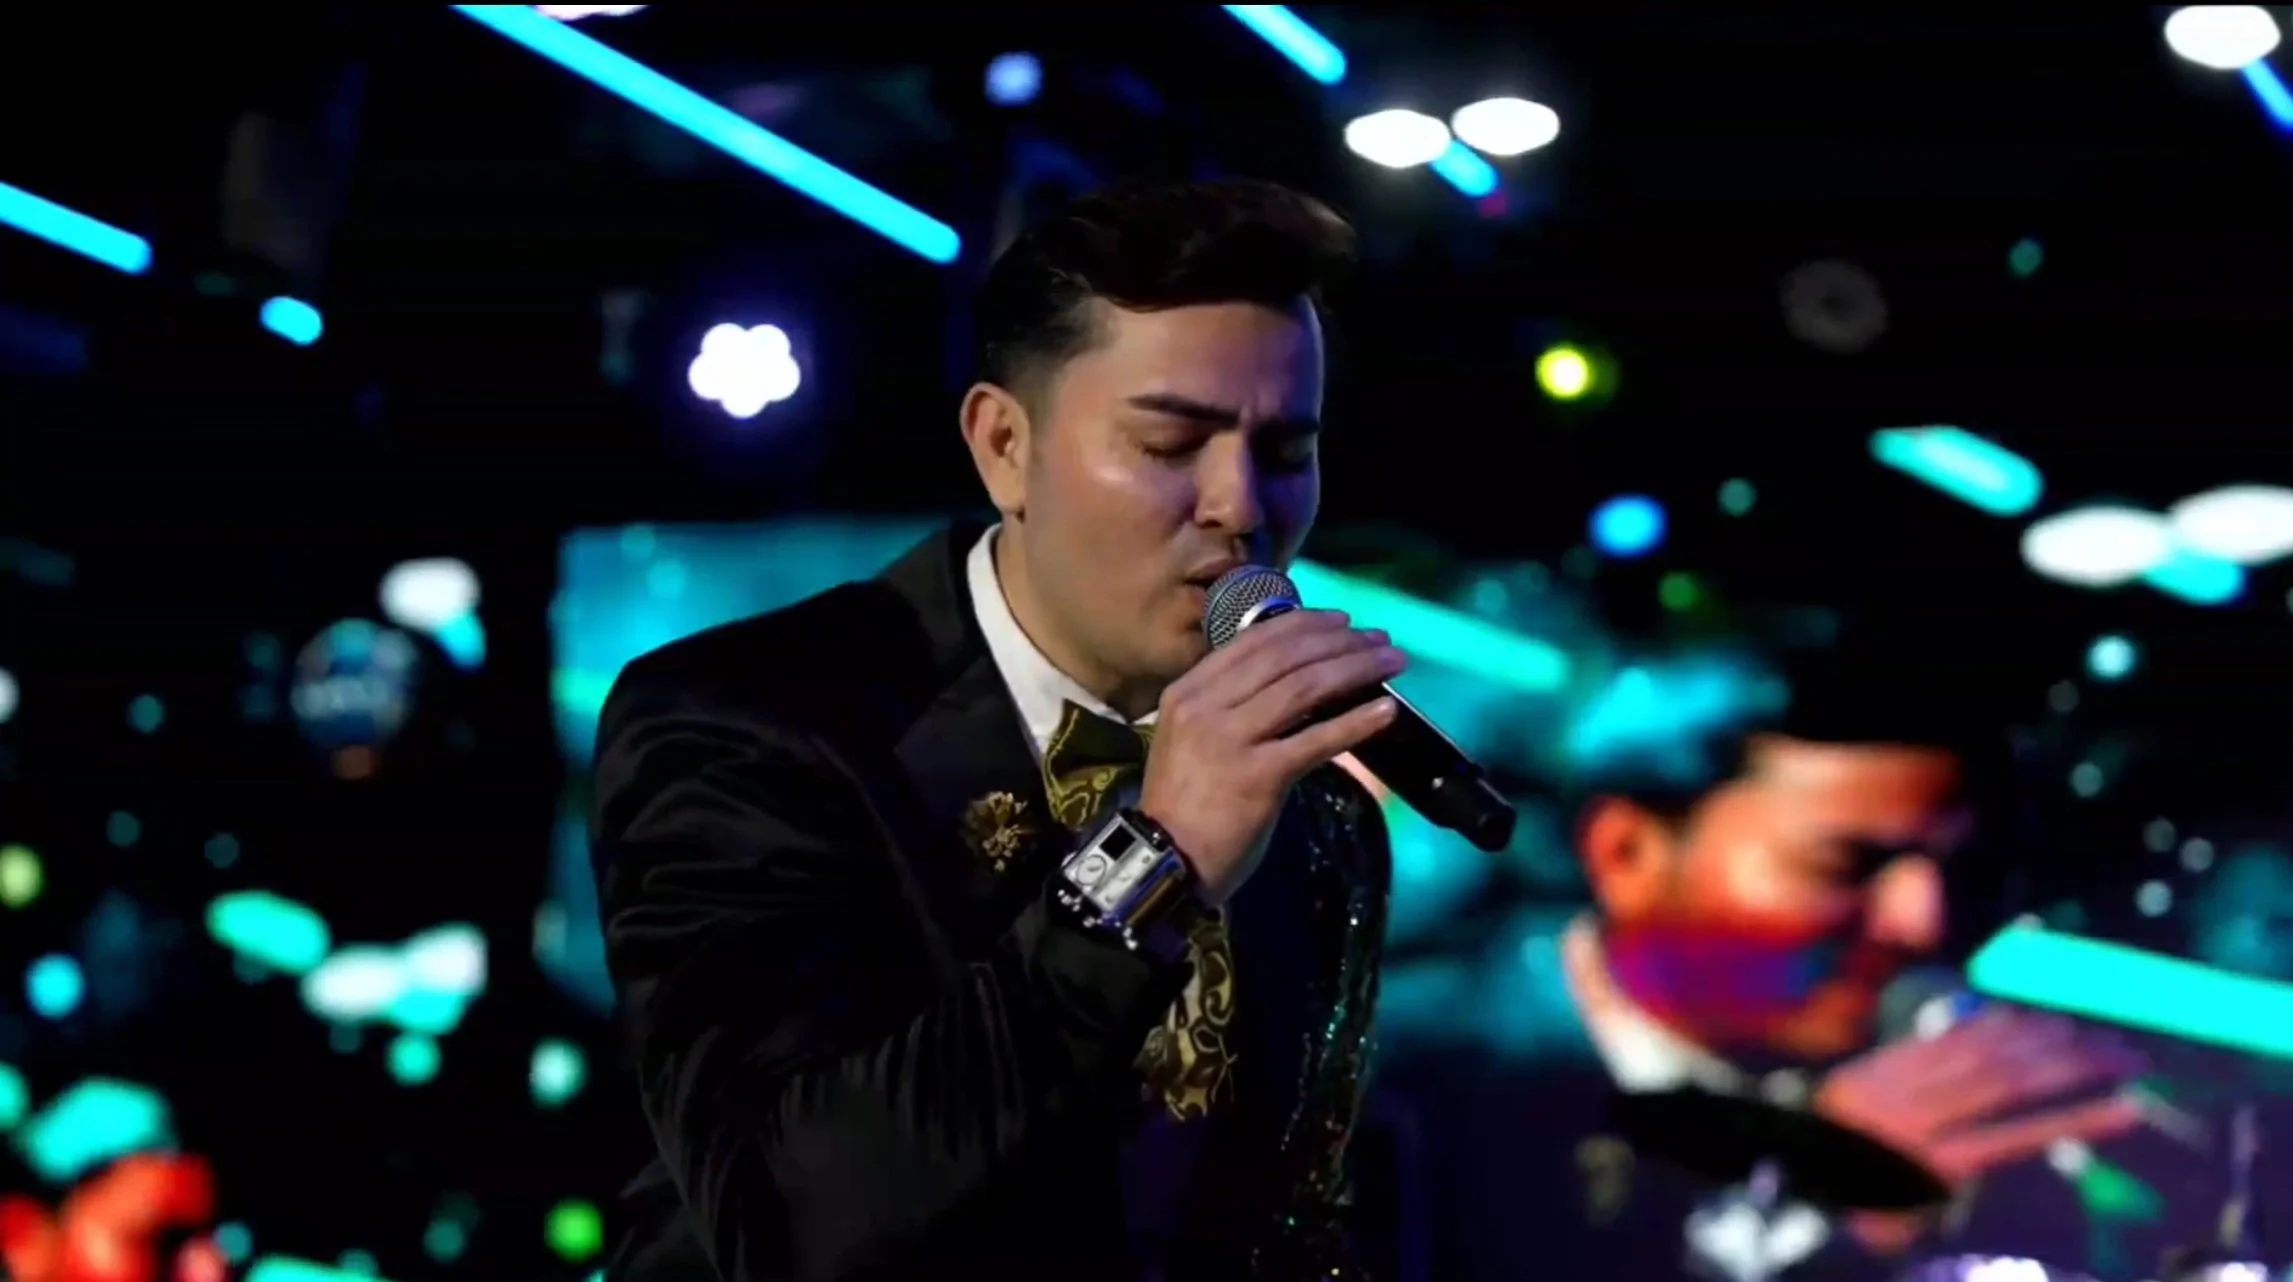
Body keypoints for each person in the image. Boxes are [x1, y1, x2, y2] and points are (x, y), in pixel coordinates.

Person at [590, 180, 1400, 1282]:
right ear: (1003, 445)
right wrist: (1152, 860)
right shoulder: (746, 723)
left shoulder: (1316, 812)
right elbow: (790, 1217)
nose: (1239, 503)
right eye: (1171, 444)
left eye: (1285, 449)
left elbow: (1292, 1214)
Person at [1370, 648, 2159, 1282]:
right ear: (1627, 853)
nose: (1924, 924)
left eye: (1958, 875)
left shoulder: (1907, 1064)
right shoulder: (1404, 1079)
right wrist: (1821, 1202)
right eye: (1845, 865)